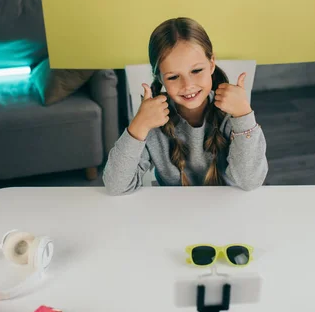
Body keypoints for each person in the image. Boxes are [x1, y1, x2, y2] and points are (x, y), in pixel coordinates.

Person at [103, 17, 268, 194]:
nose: (187, 85)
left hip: (227, 209)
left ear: (211, 64)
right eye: (173, 77)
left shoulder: (232, 114)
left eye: (196, 71)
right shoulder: (153, 120)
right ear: (159, 78)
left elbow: (250, 181)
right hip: (172, 213)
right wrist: (138, 127)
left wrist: (244, 115)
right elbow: (115, 186)